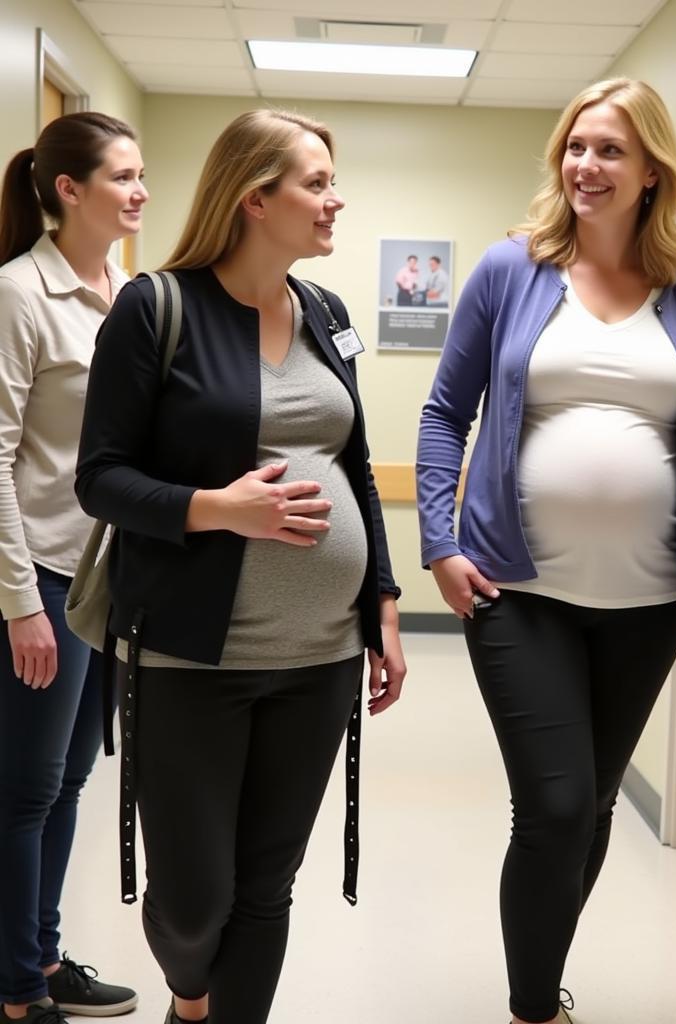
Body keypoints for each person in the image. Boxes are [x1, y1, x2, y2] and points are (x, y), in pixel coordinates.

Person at [416, 77, 676, 1024]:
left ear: (652, 172)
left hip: (647, 606)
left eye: (609, 151)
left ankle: (540, 975)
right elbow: (445, 414)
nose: (586, 167)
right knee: (558, 806)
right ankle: (532, 1007)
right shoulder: (508, 270)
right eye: (575, 147)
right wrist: (439, 540)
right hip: (516, 592)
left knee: (594, 807)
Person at [75, 109, 407, 1024]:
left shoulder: (326, 315)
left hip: (320, 658)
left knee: (266, 888)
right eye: (317, 183)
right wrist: (223, 509)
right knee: (193, 905)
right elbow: (100, 479)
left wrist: (382, 598)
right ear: (256, 199)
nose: (335, 200)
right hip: (191, 658)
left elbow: (354, 468)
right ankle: (192, 995)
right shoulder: (158, 307)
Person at [0, 112, 145, 1024]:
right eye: (123, 176)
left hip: (104, 578)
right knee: (22, 790)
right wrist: (19, 601)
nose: (138, 191)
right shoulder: (20, 293)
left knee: (68, 782)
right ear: (68, 190)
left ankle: (42, 959)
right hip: (42, 575)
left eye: (140, 175)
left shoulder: (122, 289)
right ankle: (16, 989)